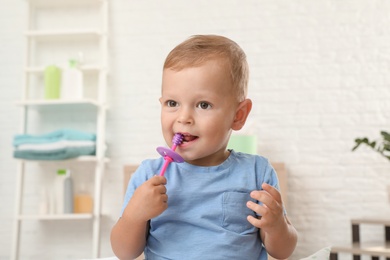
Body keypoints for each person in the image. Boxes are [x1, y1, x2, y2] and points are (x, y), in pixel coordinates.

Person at [110, 35, 298, 260]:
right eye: (172, 103)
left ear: (238, 116)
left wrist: (276, 226)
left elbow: (283, 251)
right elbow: (124, 253)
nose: (184, 117)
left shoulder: (257, 172)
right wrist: (134, 217)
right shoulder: (148, 176)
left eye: (203, 105)